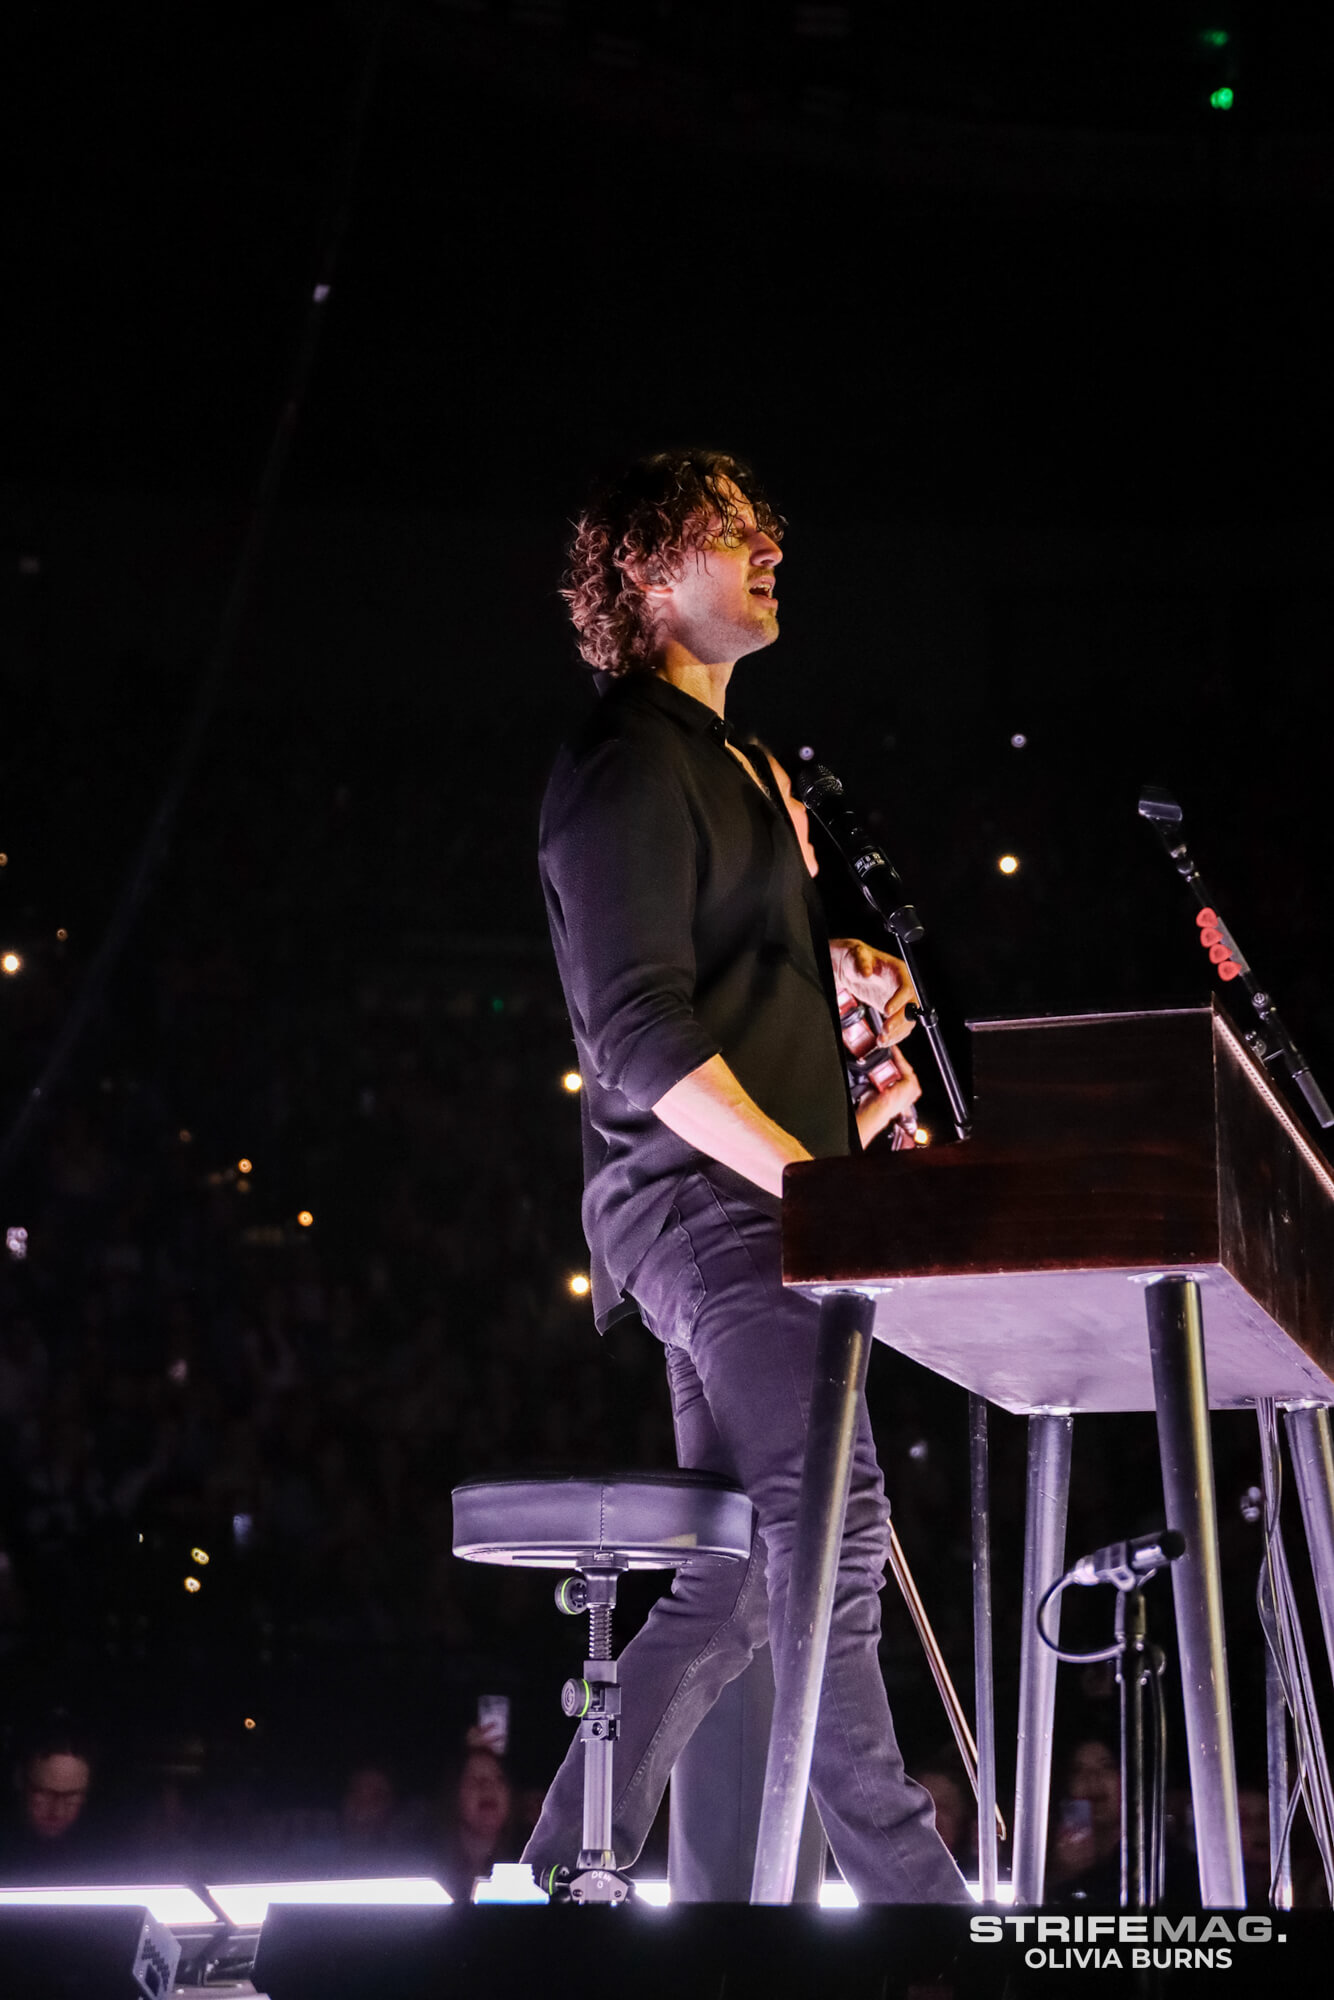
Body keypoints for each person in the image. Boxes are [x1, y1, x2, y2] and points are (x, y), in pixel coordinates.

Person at [524, 447, 967, 1904]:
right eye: (729, 530)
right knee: (829, 1548)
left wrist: (828, 983)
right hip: (719, 1215)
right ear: (647, 571)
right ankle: (918, 1912)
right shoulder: (624, 761)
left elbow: (720, 988)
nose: (770, 544)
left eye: (768, 523)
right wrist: (810, 1185)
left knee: (728, 1581)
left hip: (749, 1208)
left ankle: (547, 1885)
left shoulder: (748, 769)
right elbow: (640, 1034)